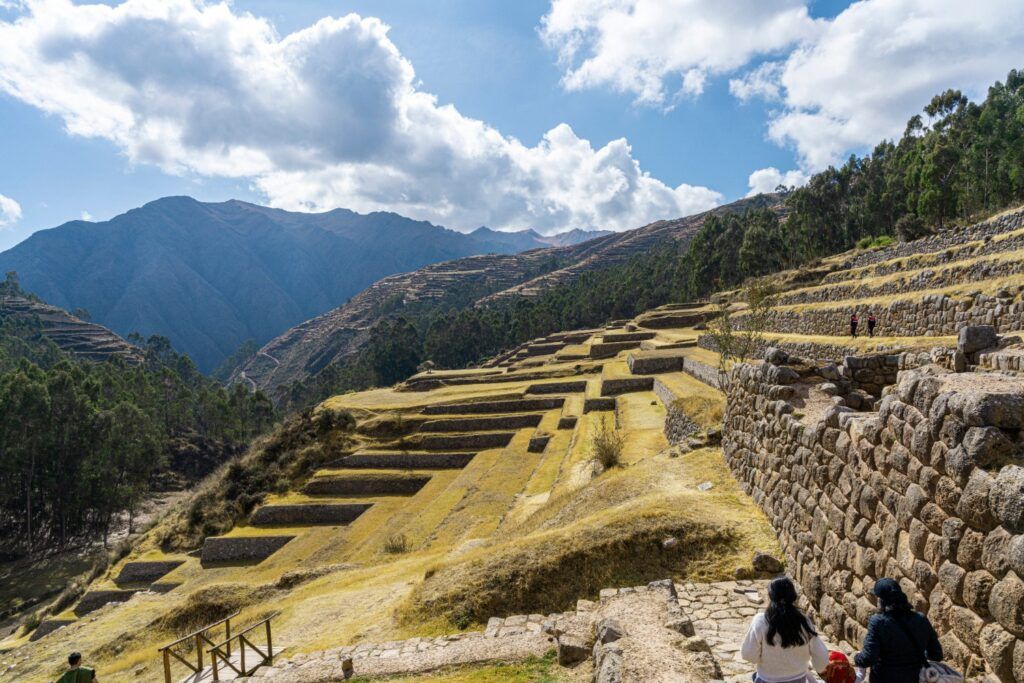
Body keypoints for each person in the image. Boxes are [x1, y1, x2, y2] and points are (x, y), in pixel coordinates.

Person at [854, 578, 943, 683]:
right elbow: (936, 654)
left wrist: (857, 657)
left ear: (882, 601)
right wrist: (915, 655)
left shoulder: (878, 622)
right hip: (914, 678)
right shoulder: (921, 619)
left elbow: (868, 658)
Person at [741, 577, 829, 683]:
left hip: (767, 679)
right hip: (798, 679)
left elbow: (748, 655)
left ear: (770, 596)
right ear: (793, 595)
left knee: (755, 676)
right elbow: (822, 658)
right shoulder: (804, 621)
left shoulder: (760, 621)